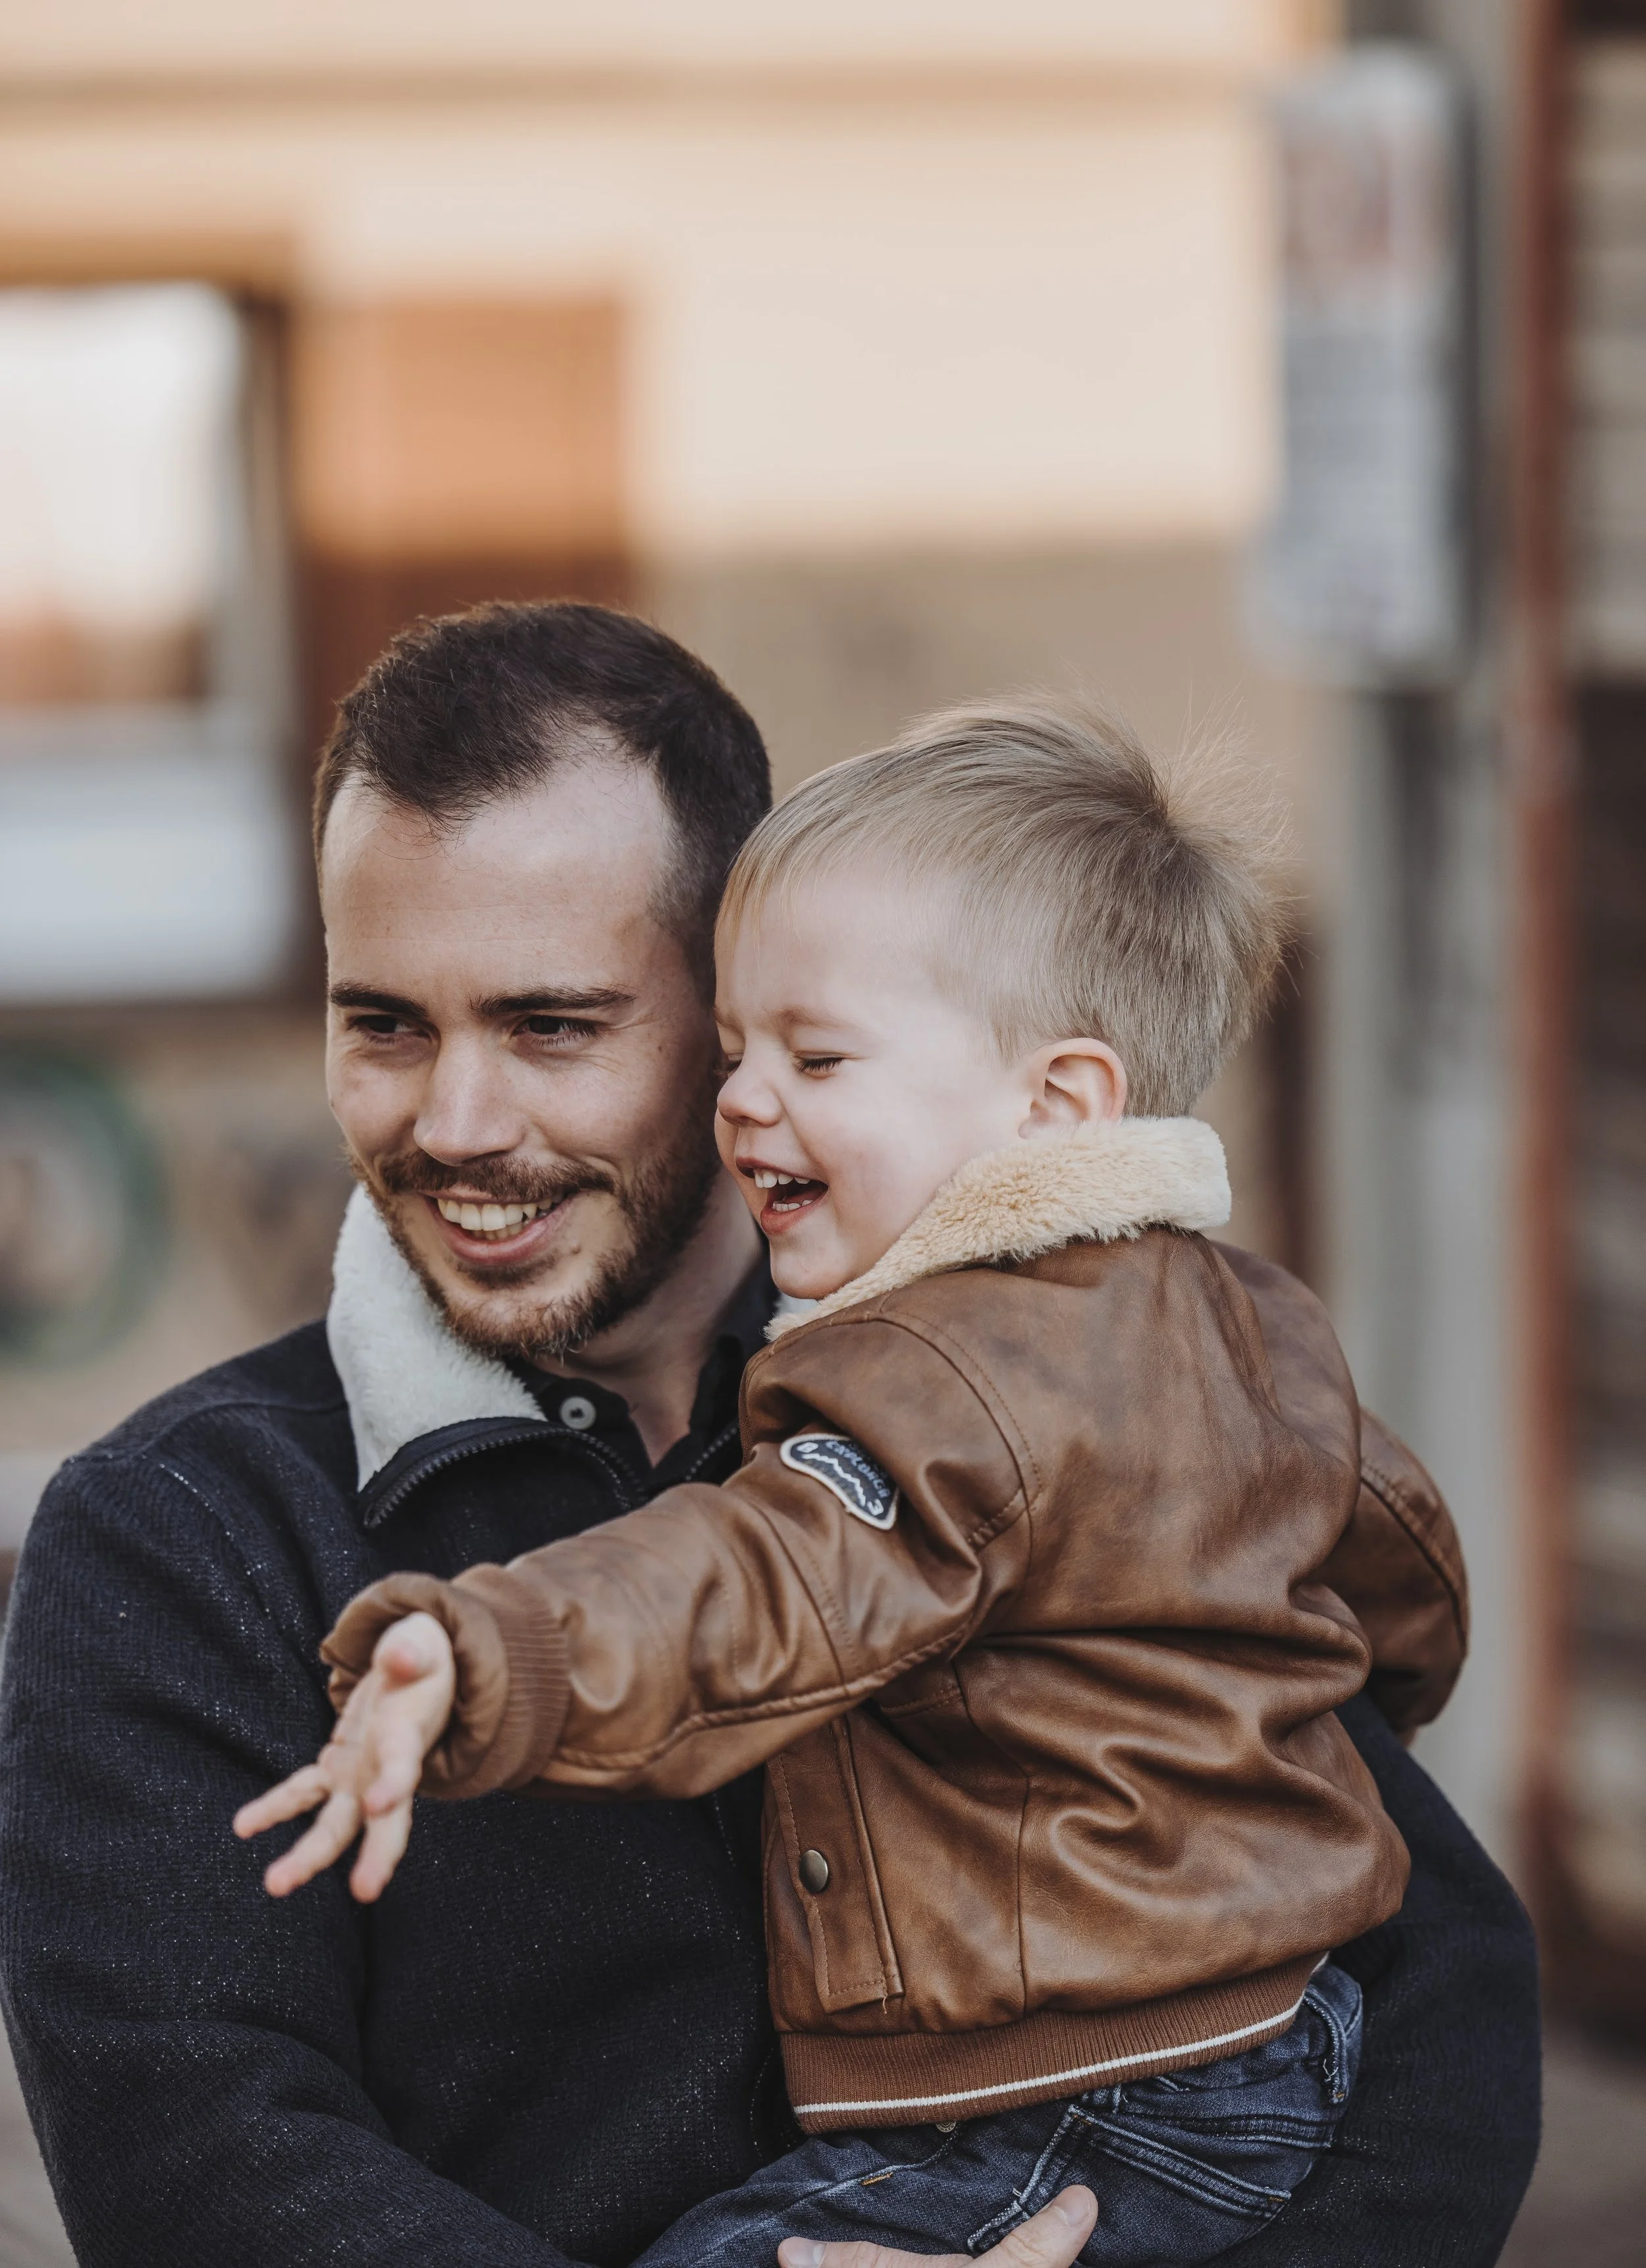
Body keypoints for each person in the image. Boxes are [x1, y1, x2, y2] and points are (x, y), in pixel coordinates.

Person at [0, 606, 1538, 2267]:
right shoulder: (178, 1527)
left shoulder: (1028, 1388)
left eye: (552, 1025)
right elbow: (201, 2162)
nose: (453, 1122)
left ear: (733, 1001)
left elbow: (1430, 1973)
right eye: (383, 1023)